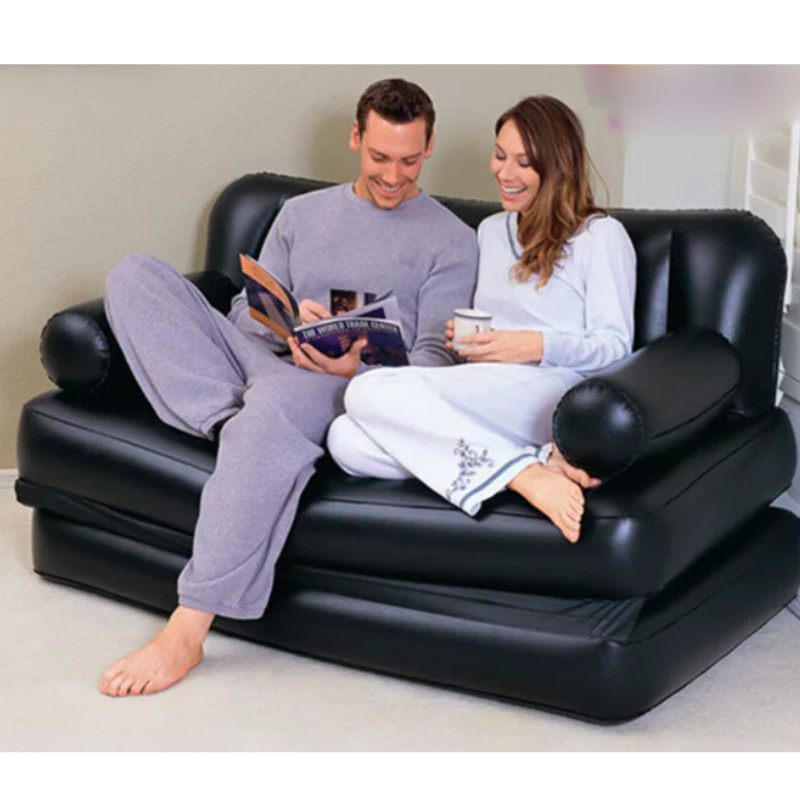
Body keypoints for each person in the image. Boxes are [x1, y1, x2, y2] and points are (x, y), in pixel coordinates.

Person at [98, 79, 479, 697]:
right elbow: (243, 311)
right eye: (379, 157)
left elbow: (436, 361)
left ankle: (187, 630)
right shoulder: (301, 213)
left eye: (409, 161)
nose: (393, 175)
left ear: (428, 147)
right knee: (133, 275)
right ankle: (237, 425)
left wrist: (354, 371)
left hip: (337, 390)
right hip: (262, 356)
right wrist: (289, 321)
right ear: (356, 138)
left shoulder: (453, 241)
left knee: (275, 404)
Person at [327, 95, 637, 543]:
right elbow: (491, 330)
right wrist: (469, 341)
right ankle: (525, 465)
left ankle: (524, 472)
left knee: (365, 391)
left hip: (553, 389)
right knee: (346, 441)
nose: (505, 173)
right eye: (499, 155)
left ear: (557, 167)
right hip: (487, 387)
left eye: (523, 163)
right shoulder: (491, 231)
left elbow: (615, 345)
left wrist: (534, 344)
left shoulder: (599, 237)